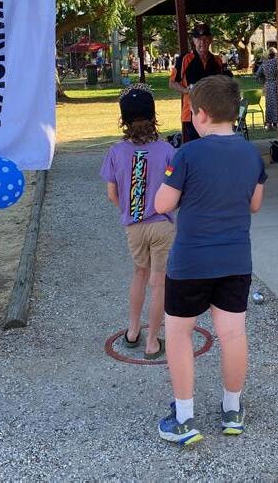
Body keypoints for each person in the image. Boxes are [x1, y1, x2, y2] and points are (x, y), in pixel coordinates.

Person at [154, 75, 267, 445]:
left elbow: (162, 204)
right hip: (236, 260)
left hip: (190, 262)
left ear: (200, 114)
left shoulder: (187, 154)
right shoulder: (251, 154)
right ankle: (232, 410)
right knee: (233, 334)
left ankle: (184, 417)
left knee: (179, 333)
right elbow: (255, 204)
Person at [100, 84, 176, 360]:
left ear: (124, 120)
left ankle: (133, 331)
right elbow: (176, 189)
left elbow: (112, 193)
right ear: (153, 117)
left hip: (134, 226)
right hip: (162, 224)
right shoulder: (167, 150)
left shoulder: (115, 152)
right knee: (159, 281)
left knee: (139, 274)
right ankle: (152, 342)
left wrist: (131, 212)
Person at [168, 24, 226, 143]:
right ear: (194, 40)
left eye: (205, 39)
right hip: (191, 113)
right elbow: (172, 83)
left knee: (212, 145)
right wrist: (186, 91)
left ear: (210, 40)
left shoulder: (217, 61)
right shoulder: (185, 59)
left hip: (212, 112)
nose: (202, 43)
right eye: (199, 39)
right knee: (195, 146)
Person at [255, 47, 278, 130]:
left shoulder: (264, 63)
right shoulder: (277, 62)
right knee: (277, 104)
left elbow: (257, 75)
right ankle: (277, 124)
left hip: (268, 85)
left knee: (269, 105)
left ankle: (269, 124)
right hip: (277, 85)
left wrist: (264, 82)